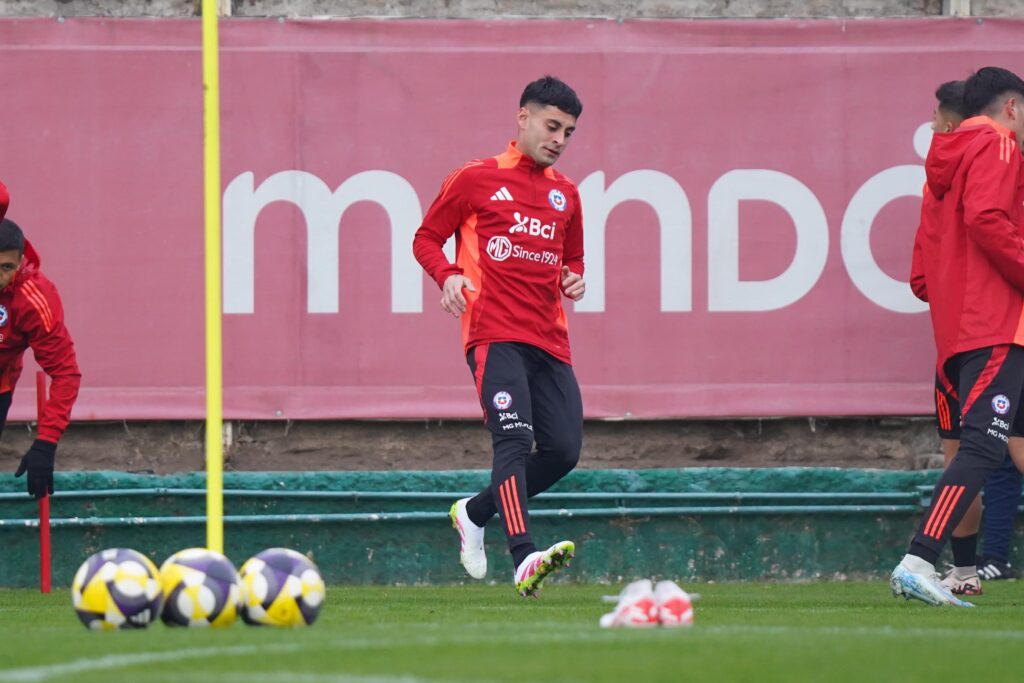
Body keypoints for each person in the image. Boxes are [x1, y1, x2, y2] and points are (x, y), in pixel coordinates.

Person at [413, 76, 586, 597]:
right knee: (513, 438)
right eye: (551, 125)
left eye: (568, 132)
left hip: (550, 340)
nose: (558, 138)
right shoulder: (476, 178)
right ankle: (523, 555)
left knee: (563, 451)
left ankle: (474, 512)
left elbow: (571, 261)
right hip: (493, 334)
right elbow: (426, 238)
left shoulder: (568, 194)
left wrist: (572, 277)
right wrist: (448, 275)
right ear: (523, 118)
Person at [892, 66, 1024, 607]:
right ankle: (918, 559)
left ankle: (961, 569)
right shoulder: (997, 145)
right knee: (985, 446)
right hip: (994, 328)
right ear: (1011, 108)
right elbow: (990, 219)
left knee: (978, 448)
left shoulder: (940, 171)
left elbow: (921, 278)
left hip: (955, 339)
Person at [0, 215, 82, 499]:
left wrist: (45, 443)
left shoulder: (34, 299)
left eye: (6, 267)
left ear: (20, 262)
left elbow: (65, 373)